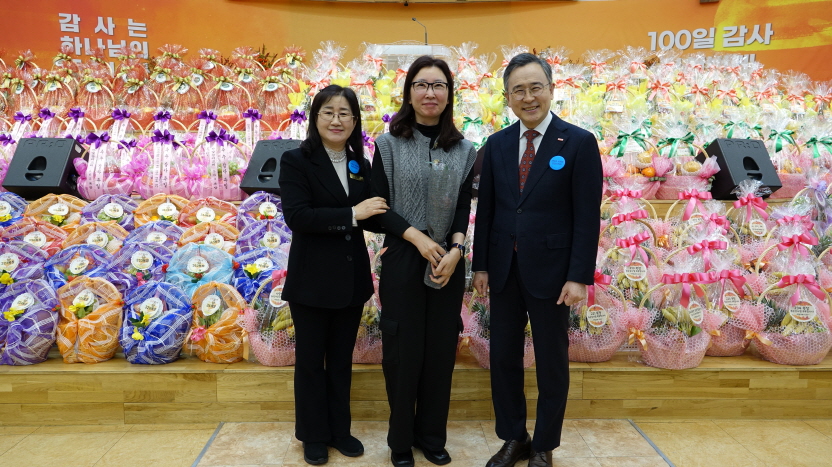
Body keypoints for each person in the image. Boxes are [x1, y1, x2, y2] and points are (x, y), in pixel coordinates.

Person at [472, 53, 602, 467]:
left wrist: (579, 276)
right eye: (518, 90)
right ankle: (514, 437)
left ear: (550, 89)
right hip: (504, 270)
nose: (528, 97)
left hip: (553, 273)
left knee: (551, 362)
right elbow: (487, 210)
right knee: (503, 358)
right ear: (507, 97)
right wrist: (480, 265)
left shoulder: (578, 142)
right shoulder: (497, 144)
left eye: (535, 88)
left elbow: (587, 216)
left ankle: (544, 444)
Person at [370, 55, 478, 467]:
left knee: (439, 351)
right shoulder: (388, 145)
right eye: (421, 84)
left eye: (438, 85)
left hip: (447, 260)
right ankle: (400, 441)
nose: (430, 92)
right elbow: (377, 207)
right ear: (409, 93)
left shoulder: (464, 149)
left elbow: (463, 205)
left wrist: (456, 249)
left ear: (449, 94)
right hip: (403, 255)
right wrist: (415, 236)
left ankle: (432, 436)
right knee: (402, 350)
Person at [279, 85, 389, 466]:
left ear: (355, 121)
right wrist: (351, 215)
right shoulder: (296, 161)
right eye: (328, 112)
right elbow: (298, 216)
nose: (336, 120)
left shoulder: (360, 164)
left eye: (345, 113)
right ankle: (313, 435)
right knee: (311, 361)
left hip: (350, 278)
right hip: (311, 280)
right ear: (315, 118)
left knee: (341, 361)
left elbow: (374, 213)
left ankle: (340, 430)